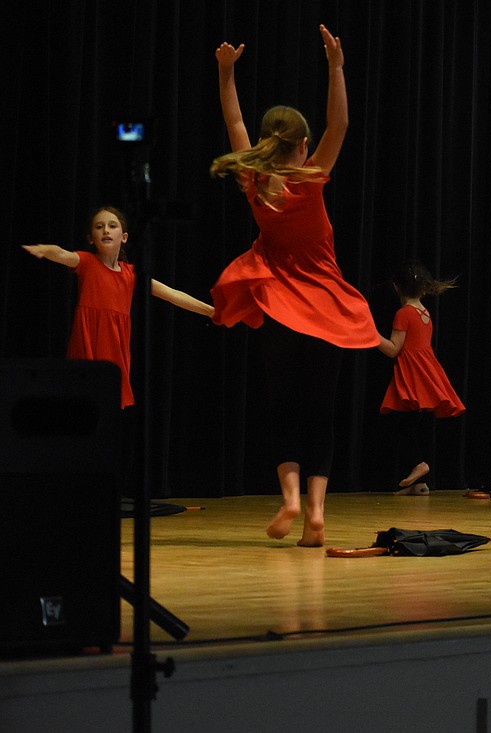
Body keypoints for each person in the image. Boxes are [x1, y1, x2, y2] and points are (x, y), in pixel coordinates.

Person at [209, 24, 379, 546]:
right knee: (320, 414)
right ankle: (316, 514)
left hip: (279, 306)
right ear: (304, 145)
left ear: (267, 142)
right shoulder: (312, 177)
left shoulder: (254, 180)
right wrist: (335, 66)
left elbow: (234, 118)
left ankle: (287, 500)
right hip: (327, 309)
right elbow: (342, 121)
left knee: (282, 409)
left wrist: (226, 73)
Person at [23, 206, 214, 409]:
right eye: (99, 226)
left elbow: (173, 295)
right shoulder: (86, 262)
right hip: (89, 337)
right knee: (81, 397)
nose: (105, 230)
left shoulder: (131, 275)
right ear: (90, 238)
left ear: (124, 237)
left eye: (112, 226)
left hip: (114, 344)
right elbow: (61, 253)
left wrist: (210, 311)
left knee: (108, 401)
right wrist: (42, 249)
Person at [376, 261, 466, 496]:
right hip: (425, 374)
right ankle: (420, 483)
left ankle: (420, 465)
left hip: (412, 376)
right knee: (411, 428)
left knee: (398, 430)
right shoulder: (425, 313)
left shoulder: (404, 313)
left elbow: (394, 349)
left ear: (397, 288)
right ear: (424, 288)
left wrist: (370, 335)